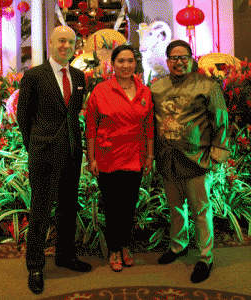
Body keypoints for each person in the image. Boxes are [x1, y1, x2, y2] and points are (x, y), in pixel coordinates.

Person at [17, 25, 92, 295]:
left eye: (71, 42)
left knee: (69, 209)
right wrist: (35, 145)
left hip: (72, 153)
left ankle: (65, 256)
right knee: (40, 211)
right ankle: (35, 265)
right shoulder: (34, 76)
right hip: (44, 153)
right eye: (61, 41)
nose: (66, 46)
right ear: (51, 43)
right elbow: (23, 117)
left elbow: (72, 115)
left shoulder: (79, 76)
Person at [151, 40, 230, 283]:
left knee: (200, 210)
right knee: (175, 207)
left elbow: (220, 117)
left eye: (184, 57)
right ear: (167, 61)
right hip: (167, 157)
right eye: (174, 58)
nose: (179, 62)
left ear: (191, 59)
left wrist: (218, 152)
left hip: (196, 157)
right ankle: (178, 245)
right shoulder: (156, 87)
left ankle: (205, 256)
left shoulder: (207, 85)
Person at [85, 45, 154, 272]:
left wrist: (149, 156)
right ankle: (115, 248)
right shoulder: (101, 90)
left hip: (135, 156)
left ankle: (125, 245)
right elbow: (91, 128)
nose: (126, 65)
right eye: (121, 61)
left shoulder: (144, 91)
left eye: (130, 61)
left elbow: (149, 127)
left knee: (129, 206)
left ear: (136, 63)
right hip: (108, 157)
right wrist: (91, 158)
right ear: (112, 65)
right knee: (113, 206)